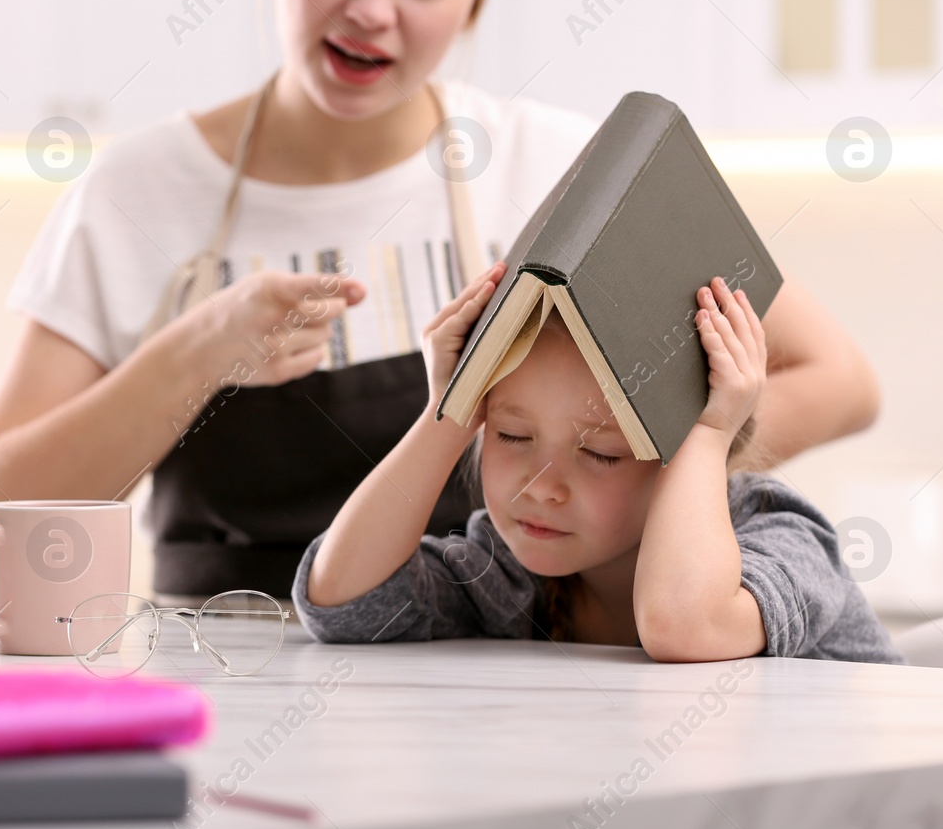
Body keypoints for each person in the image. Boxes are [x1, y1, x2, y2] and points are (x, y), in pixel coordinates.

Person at [0, 0, 880, 601]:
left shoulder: (563, 169)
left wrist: (645, 471)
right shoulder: (135, 193)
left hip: (492, 682)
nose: (371, 8)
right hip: (219, 680)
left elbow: (837, 375)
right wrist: (193, 354)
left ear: (475, 0)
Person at [295, 265, 903, 664]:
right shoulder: (511, 572)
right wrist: (446, 413)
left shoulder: (783, 539)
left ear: (687, 457)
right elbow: (346, 603)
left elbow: (685, 628)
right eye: (509, 435)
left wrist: (709, 428)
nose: (540, 487)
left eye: (600, 453)